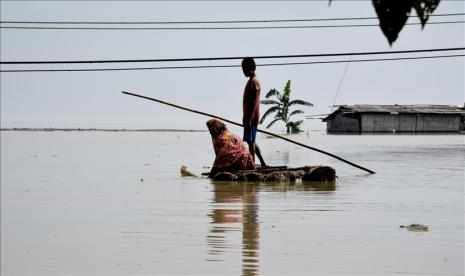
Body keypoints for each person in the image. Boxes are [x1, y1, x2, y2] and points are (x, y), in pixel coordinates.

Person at [241, 57, 267, 167]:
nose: (243, 71)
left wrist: (249, 119)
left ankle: (252, 165)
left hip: (251, 118)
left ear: (251, 68)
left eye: (245, 69)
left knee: (249, 142)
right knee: (252, 140)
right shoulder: (252, 81)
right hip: (251, 117)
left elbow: (253, 101)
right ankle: (262, 163)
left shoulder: (253, 82)